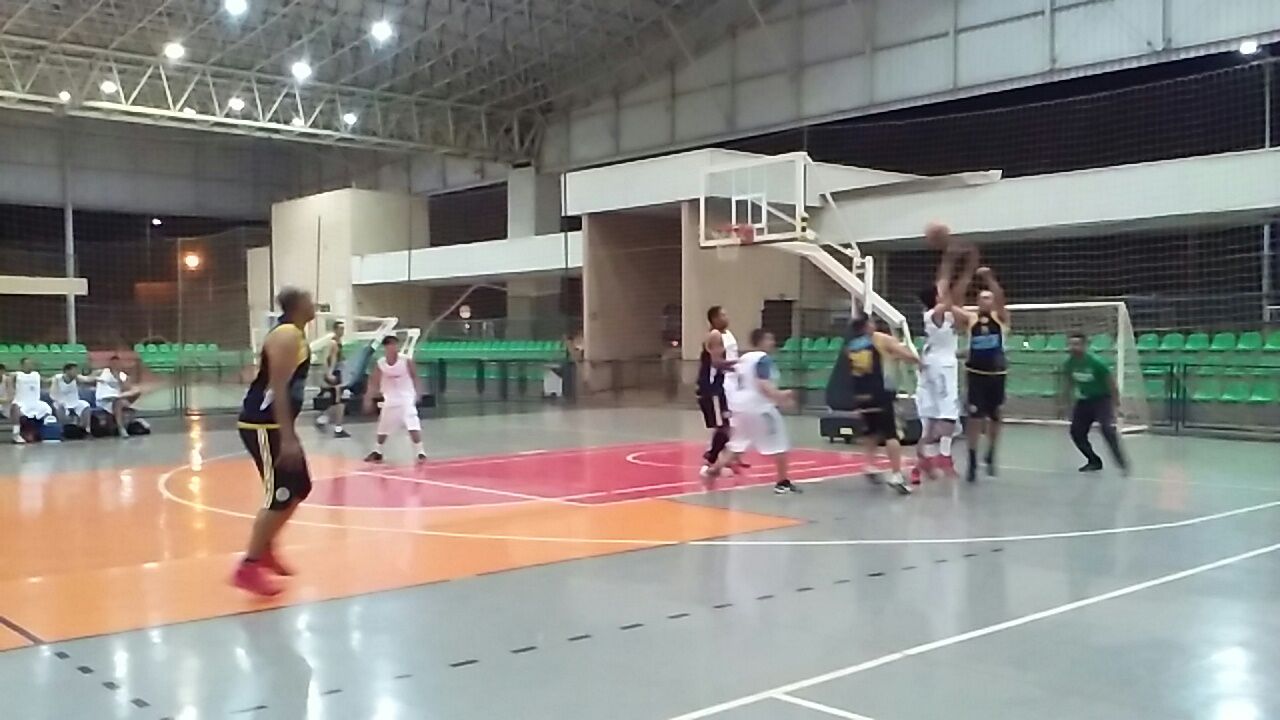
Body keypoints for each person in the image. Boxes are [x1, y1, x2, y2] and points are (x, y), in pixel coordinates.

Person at [231, 287, 317, 597]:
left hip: (276, 425)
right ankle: (248, 567)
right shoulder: (286, 335)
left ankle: (266, 548)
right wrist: (288, 436)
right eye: (309, 300)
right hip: (263, 425)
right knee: (279, 495)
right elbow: (277, 387)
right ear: (297, 305)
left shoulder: (296, 334)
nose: (314, 305)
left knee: (301, 487)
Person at [912, 241, 979, 484]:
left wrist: (962, 263)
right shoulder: (936, 314)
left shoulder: (941, 314)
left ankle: (923, 463)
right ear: (936, 298)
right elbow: (950, 288)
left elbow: (954, 286)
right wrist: (953, 261)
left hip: (934, 365)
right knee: (948, 417)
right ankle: (940, 456)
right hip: (941, 369)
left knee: (931, 424)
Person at [704, 329, 799, 494]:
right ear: (760, 342)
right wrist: (781, 396)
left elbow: (723, 367)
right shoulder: (763, 359)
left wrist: (714, 354)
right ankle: (782, 482)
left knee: (737, 444)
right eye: (769, 339)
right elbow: (762, 385)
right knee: (780, 444)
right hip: (759, 409)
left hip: (741, 409)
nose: (772, 343)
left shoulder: (744, 358)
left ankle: (713, 470)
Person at [843, 313, 920, 495]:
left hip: (861, 395)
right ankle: (896, 474)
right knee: (891, 434)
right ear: (867, 325)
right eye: (871, 322)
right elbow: (905, 355)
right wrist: (918, 360)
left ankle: (869, 465)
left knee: (871, 431)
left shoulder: (851, 347)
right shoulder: (880, 340)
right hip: (882, 393)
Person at [964, 266, 1011, 482]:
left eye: (989, 297)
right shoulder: (971, 319)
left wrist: (989, 278)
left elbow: (1000, 297)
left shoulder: (1001, 317)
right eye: (983, 298)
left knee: (995, 416)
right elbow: (953, 304)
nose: (986, 300)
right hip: (976, 375)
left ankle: (991, 452)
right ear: (977, 302)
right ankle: (972, 458)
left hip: (997, 374)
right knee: (975, 417)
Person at [1062, 333, 1129, 474]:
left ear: (1084, 345)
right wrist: (1065, 404)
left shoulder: (1097, 363)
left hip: (1101, 400)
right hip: (1084, 401)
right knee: (1076, 432)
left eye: (1077, 344)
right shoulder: (1069, 364)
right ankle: (1093, 460)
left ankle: (1121, 461)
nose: (1073, 347)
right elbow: (1069, 383)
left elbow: (1112, 385)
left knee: (1107, 429)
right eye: (1071, 344)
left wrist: (1116, 405)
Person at [363, 334, 427, 463]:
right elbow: (374, 381)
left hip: (406, 396)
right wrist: (368, 397)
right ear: (385, 347)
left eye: (394, 344)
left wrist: (418, 393)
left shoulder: (406, 361)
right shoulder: (381, 363)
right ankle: (377, 451)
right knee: (384, 425)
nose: (392, 347)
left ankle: (420, 452)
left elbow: (415, 377)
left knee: (411, 422)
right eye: (389, 345)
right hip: (390, 398)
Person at [696, 306, 742, 477]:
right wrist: (740, 364)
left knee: (727, 426)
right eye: (723, 315)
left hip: (725, 386)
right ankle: (710, 461)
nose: (726, 317)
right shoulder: (715, 335)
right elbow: (716, 362)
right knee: (723, 427)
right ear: (714, 319)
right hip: (713, 388)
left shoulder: (727, 334)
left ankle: (722, 460)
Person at [314, 320, 350, 438]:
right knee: (339, 402)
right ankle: (338, 428)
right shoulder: (333, 343)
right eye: (340, 329)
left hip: (339, 373)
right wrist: (329, 373)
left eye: (343, 329)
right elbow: (332, 359)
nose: (342, 331)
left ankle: (322, 419)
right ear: (335, 330)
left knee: (337, 402)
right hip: (336, 374)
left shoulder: (338, 342)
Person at [7, 358, 53, 444]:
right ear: (21, 365)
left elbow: (46, 381)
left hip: (35, 402)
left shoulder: (36, 375)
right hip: (21, 401)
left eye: (30, 364)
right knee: (15, 408)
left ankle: (43, 432)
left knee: (48, 409)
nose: (29, 366)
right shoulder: (16, 375)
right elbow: (8, 379)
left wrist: (55, 378)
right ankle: (16, 434)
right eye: (27, 364)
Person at [95, 355, 142, 438]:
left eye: (117, 363)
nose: (115, 365)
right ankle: (121, 428)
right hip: (104, 399)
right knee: (119, 403)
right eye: (114, 363)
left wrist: (119, 379)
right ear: (110, 364)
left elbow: (127, 388)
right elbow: (90, 377)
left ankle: (125, 426)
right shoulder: (103, 372)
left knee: (123, 400)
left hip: (116, 397)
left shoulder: (122, 375)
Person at [51, 362, 94, 433]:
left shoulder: (77, 378)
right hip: (61, 402)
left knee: (85, 405)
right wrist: (59, 401)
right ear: (67, 371)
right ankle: (63, 430)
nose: (76, 372)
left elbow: (87, 379)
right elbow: (53, 393)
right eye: (74, 370)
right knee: (59, 408)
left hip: (75, 401)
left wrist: (98, 379)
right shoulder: (57, 378)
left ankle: (86, 428)